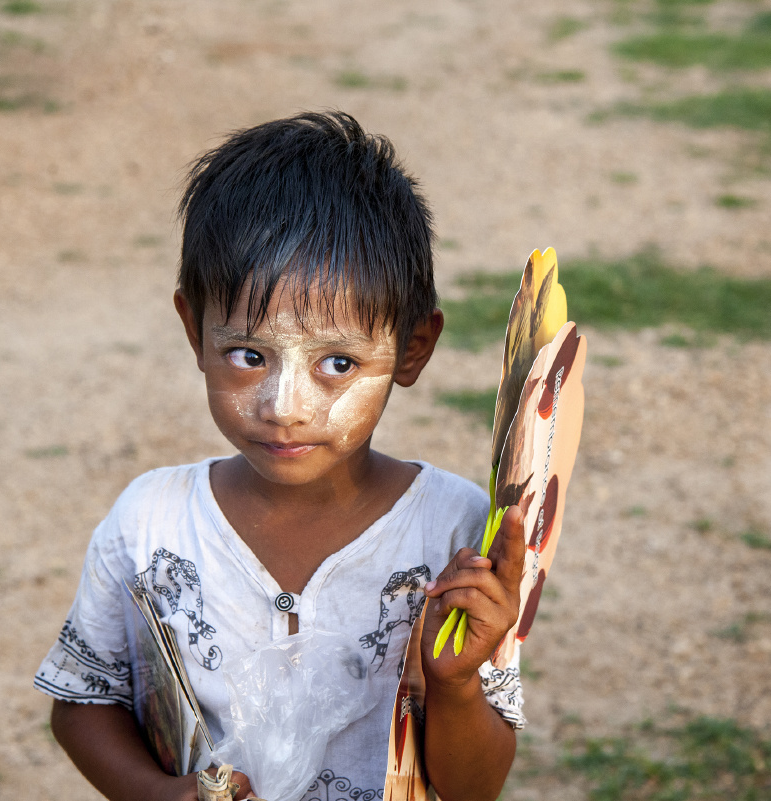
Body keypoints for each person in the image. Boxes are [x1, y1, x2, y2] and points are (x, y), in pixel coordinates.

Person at [34, 111, 526, 801]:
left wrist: (454, 681)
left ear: (413, 349)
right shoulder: (150, 523)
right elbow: (83, 703)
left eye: (337, 362)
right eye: (248, 355)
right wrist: (164, 794)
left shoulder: (455, 533)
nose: (283, 404)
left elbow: (473, 788)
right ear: (192, 329)